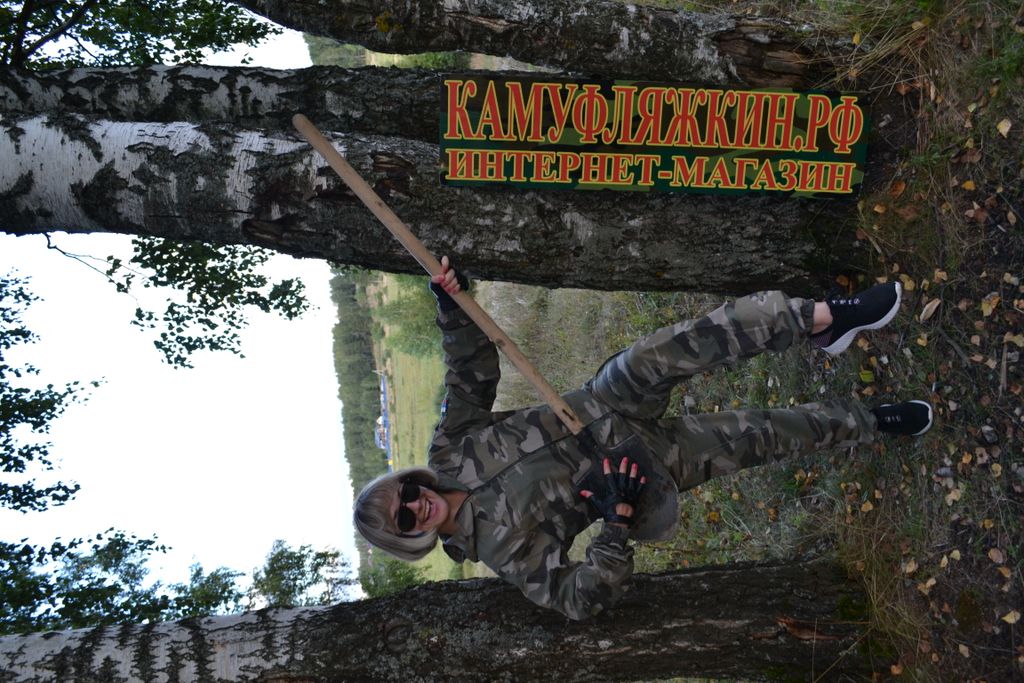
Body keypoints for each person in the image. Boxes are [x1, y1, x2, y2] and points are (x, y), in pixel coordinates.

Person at [354, 257, 933, 620]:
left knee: (670, 347)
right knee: (765, 434)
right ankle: (872, 420)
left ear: (408, 481)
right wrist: (616, 524)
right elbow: (578, 599)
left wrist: (451, 306)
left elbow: (470, 376)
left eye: (405, 494)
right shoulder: (502, 554)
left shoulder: (449, 452)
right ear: (409, 540)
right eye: (404, 520)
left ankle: (826, 318)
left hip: (605, 403)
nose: (415, 506)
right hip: (640, 466)